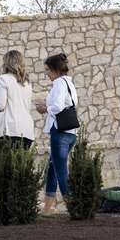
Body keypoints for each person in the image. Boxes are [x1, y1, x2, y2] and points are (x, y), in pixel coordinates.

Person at [36, 52, 80, 214]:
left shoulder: (59, 84)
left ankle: (73, 206)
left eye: (48, 70)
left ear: (55, 70)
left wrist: (45, 108)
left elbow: (58, 106)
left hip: (60, 133)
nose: (47, 74)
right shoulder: (69, 83)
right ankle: (48, 207)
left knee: (61, 170)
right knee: (53, 167)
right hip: (70, 133)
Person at [0, 49, 36, 150]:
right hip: (27, 130)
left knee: (3, 160)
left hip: (9, 130)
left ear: (6, 63)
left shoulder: (3, 79)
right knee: (21, 160)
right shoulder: (27, 83)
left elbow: (0, 106)